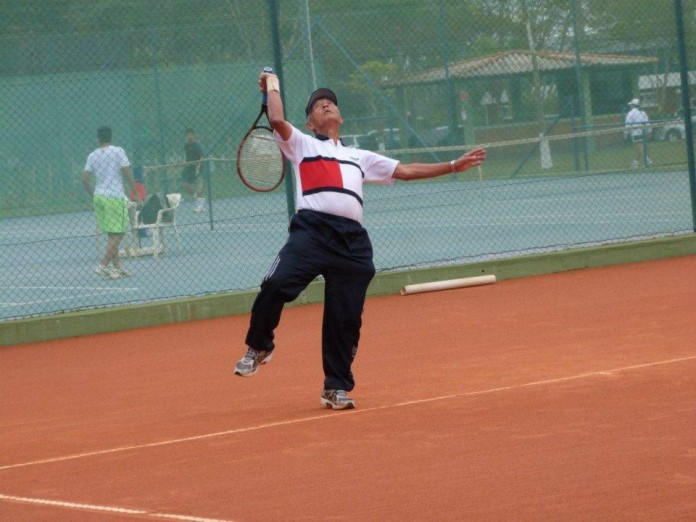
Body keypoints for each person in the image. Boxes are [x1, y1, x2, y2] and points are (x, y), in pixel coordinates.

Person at [233, 71, 486, 410]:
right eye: (318, 105)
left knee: (345, 318)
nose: (326, 105)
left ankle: (335, 387)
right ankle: (260, 345)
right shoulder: (302, 145)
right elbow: (276, 119)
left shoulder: (360, 157)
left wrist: (453, 165)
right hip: (311, 232)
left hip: (352, 244)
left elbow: (407, 170)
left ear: (340, 117)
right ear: (309, 122)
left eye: (331, 102)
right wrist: (272, 84)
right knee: (275, 284)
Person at [82, 126, 140, 279]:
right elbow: (127, 172)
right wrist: (134, 190)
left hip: (99, 198)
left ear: (98, 139)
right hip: (115, 197)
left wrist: (93, 194)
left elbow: (85, 179)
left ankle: (117, 267)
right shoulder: (118, 151)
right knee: (120, 233)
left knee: (112, 234)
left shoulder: (92, 155)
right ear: (111, 137)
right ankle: (103, 265)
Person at [181, 128, 207, 212]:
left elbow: (202, 157)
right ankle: (197, 198)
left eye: (191, 134)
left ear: (194, 135)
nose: (189, 136)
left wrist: (198, 166)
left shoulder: (197, 145)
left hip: (197, 168)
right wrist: (184, 163)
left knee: (199, 187)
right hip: (188, 168)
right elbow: (186, 156)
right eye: (187, 135)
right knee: (185, 185)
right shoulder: (186, 145)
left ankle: (200, 206)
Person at [625, 98, 651, 168]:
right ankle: (636, 163)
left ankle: (646, 161)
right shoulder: (643, 112)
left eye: (631, 105)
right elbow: (647, 122)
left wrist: (626, 133)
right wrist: (649, 131)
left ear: (633, 105)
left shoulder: (630, 113)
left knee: (639, 148)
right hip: (643, 132)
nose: (630, 106)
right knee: (640, 148)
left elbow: (627, 124)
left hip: (636, 133)